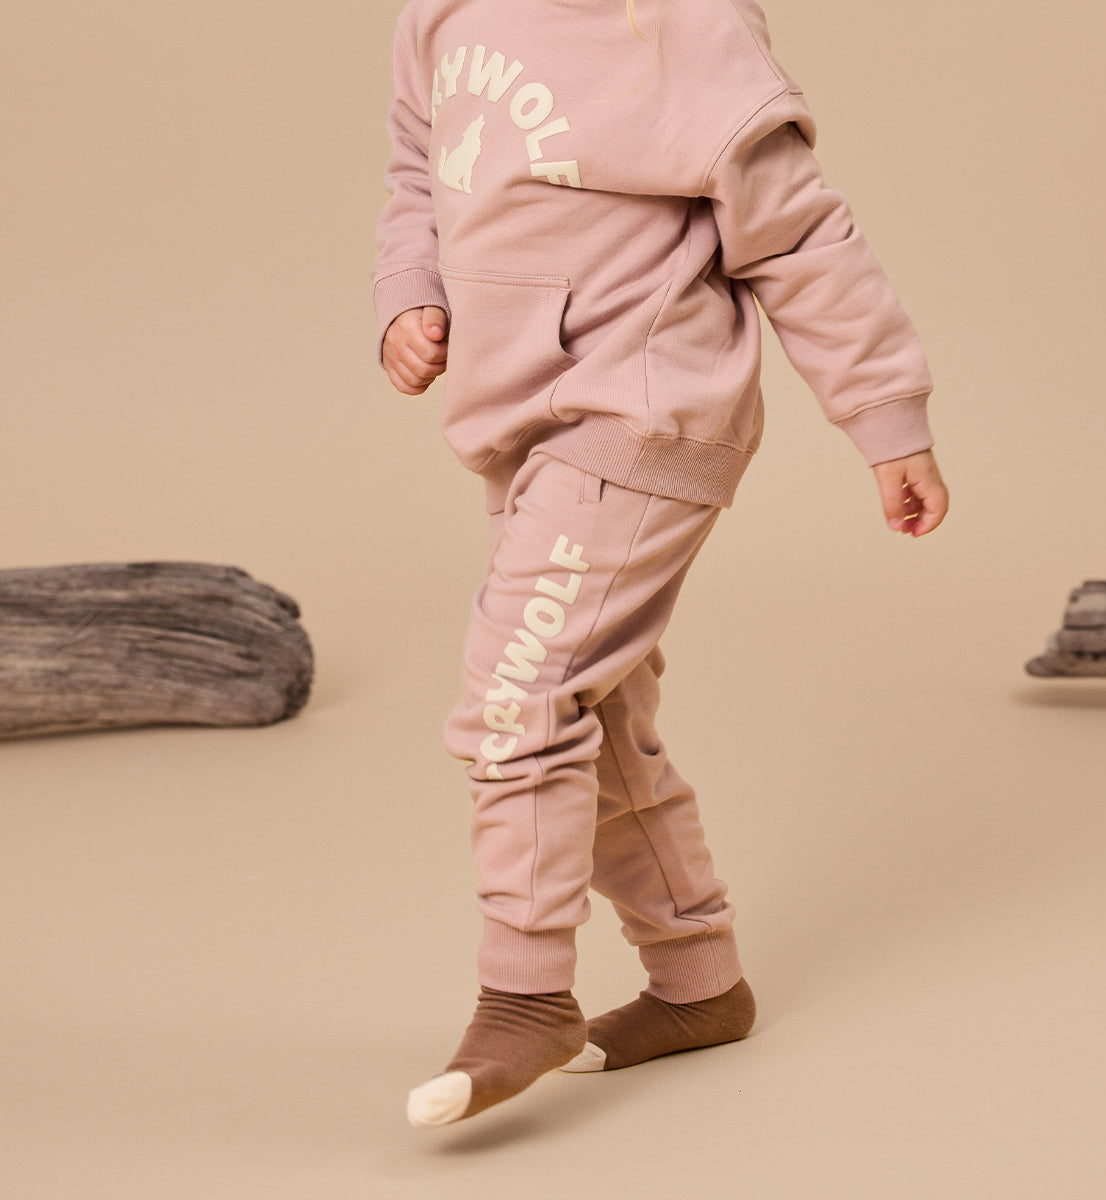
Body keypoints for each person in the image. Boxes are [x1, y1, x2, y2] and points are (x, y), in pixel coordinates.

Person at [372, 0, 949, 1128]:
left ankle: (525, 995)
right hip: (521, 418)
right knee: (594, 710)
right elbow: (413, 172)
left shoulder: (682, 29)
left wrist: (888, 420)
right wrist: (409, 293)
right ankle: (698, 984)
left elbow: (800, 238)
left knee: (518, 699)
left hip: (644, 410)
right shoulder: (441, 17)